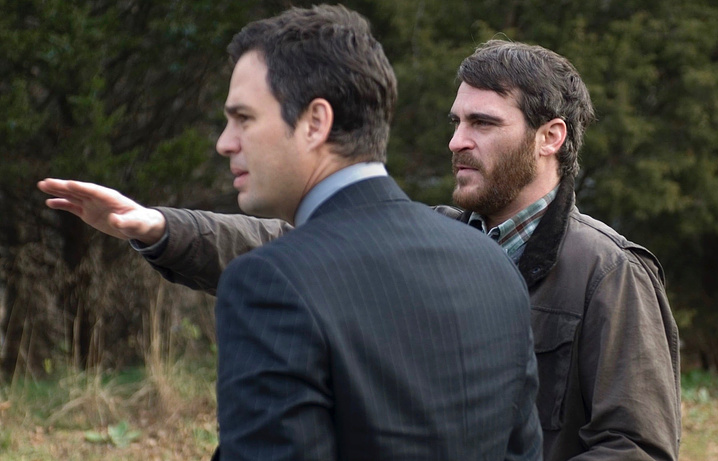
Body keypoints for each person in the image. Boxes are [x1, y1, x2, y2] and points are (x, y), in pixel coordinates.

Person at [40, 36, 680, 461]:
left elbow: (638, 445)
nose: (457, 140)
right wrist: (157, 226)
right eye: (456, 121)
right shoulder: (440, 237)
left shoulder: (608, 271)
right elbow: (290, 247)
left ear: (550, 137)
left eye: (483, 123)